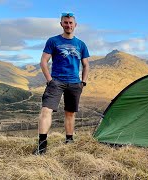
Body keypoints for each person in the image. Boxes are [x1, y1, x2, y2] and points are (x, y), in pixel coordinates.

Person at [33, 12, 90, 155]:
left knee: (70, 113)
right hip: (56, 82)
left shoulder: (81, 44)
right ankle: (42, 146)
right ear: (61, 24)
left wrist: (83, 82)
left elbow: (86, 64)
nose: (68, 25)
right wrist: (49, 80)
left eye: (71, 23)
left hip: (74, 83)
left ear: (75, 25)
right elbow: (43, 61)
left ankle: (69, 141)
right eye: (66, 22)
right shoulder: (53, 41)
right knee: (46, 110)